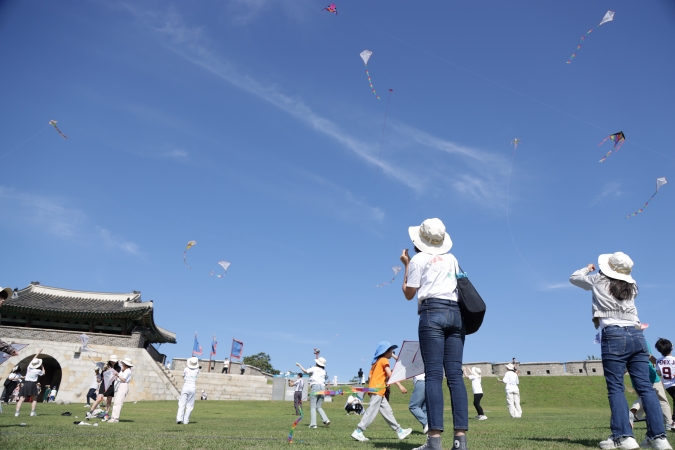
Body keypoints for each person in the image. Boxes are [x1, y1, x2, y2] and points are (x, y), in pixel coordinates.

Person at [570, 252, 671, 450]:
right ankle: (658, 437)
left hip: (614, 335)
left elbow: (574, 278)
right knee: (646, 388)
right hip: (638, 335)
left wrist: (587, 269)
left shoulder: (599, 279)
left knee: (616, 387)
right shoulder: (631, 286)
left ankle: (624, 436)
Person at [400, 218, 468, 450]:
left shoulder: (418, 259)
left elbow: (409, 294)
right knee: (456, 377)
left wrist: (406, 264)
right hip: (456, 314)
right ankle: (460, 442)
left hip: (432, 312)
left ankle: (435, 441)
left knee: (433, 376)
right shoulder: (452, 258)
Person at [350, 341, 412, 442]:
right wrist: (400, 385)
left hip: (376, 390)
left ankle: (399, 431)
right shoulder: (384, 360)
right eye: (391, 351)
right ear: (385, 351)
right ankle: (358, 431)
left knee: (388, 412)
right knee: (371, 411)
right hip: (377, 390)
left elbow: (370, 376)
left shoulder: (376, 362)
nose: (392, 353)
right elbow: (389, 375)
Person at [296, 357, 330, 428]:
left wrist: (299, 365)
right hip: (322, 389)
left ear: (317, 363)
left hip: (315, 387)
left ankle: (313, 424)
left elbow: (305, 371)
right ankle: (326, 419)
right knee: (319, 406)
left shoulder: (314, 368)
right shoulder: (324, 371)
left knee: (313, 407)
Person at [655, 338, 675, 428]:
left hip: (667, 385)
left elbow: (659, 373)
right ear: (671, 348)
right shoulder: (674, 359)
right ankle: (673, 421)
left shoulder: (658, 360)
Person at [108, 358, 132, 423]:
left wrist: (117, 375)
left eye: (123, 364)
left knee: (118, 402)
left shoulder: (127, 370)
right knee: (116, 402)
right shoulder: (123, 370)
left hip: (123, 385)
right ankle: (114, 417)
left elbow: (123, 379)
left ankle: (115, 418)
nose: (122, 364)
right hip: (120, 385)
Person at [177, 356, 200, 424]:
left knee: (181, 403)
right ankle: (186, 420)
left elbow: (183, 376)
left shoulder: (186, 369)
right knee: (190, 404)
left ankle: (179, 418)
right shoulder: (197, 370)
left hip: (186, 385)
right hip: (192, 386)